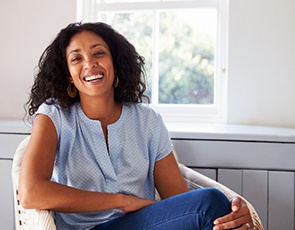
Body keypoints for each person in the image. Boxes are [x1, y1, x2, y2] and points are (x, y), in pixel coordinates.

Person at [19, 22, 255, 230]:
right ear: (69, 75)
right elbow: (31, 192)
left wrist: (230, 213)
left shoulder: (147, 121)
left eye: (98, 53)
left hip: (144, 223)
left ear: (115, 63)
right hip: (86, 229)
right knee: (210, 203)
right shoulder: (54, 115)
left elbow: (179, 199)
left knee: (217, 210)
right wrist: (121, 200)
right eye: (76, 58)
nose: (89, 64)